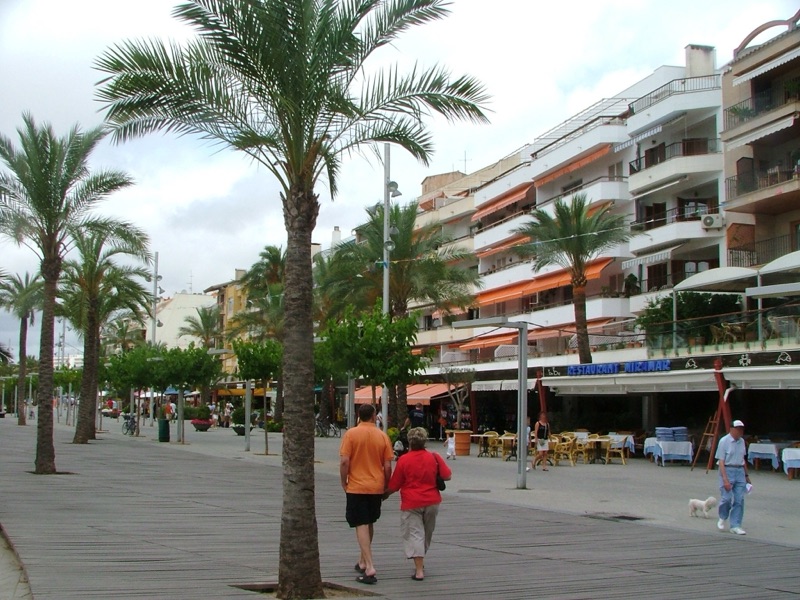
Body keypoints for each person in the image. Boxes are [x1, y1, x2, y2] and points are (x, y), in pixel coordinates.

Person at [384, 427, 452, 581]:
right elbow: (447, 476)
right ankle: (421, 561)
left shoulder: (404, 460)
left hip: (411, 502)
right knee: (427, 533)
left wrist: (384, 494)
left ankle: (419, 570)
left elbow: (394, 485)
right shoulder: (434, 457)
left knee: (415, 534)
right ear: (425, 442)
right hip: (432, 501)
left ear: (409, 442)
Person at [339, 403, 394, 585]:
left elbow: (345, 461)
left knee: (360, 523)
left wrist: (343, 481)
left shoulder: (351, 434)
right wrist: (386, 484)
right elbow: (387, 466)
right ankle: (363, 559)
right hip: (375, 486)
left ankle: (369, 566)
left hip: (357, 485)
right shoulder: (382, 436)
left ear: (358, 416)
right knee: (369, 522)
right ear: (373, 416)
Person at [715, 419, 751, 535]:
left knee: (739, 499)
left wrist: (746, 475)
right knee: (727, 498)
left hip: (739, 470)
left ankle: (735, 525)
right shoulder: (724, 441)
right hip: (727, 469)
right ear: (732, 429)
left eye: (742, 429)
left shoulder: (742, 442)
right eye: (738, 429)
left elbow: (743, 459)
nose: (740, 431)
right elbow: (721, 461)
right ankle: (723, 516)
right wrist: (725, 479)